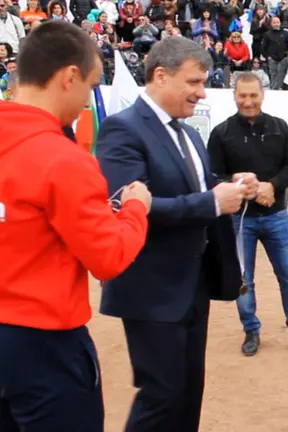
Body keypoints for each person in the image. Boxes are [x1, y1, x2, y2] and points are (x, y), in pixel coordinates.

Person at [0, 21, 149, 431]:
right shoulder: (63, 159)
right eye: (90, 85)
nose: (88, 100)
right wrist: (135, 208)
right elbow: (108, 258)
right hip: (44, 345)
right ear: (69, 77)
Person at [96, 37, 247, 432]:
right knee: (161, 395)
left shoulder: (189, 134)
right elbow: (129, 206)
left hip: (193, 284)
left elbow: (199, 187)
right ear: (160, 75)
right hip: (151, 288)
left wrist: (232, 186)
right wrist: (212, 202)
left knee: (188, 392)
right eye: (194, 82)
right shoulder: (121, 129)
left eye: (203, 83)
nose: (202, 92)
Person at [207, 73, 288, 357]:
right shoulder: (221, 133)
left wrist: (272, 185)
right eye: (242, 95)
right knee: (243, 279)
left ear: (262, 95)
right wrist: (236, 183)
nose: (248, 101)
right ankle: (251, 330)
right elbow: (212, 175)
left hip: (276, 215)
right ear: (234, 96)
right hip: (239, 219)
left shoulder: (279, 128)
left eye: (253, 95)